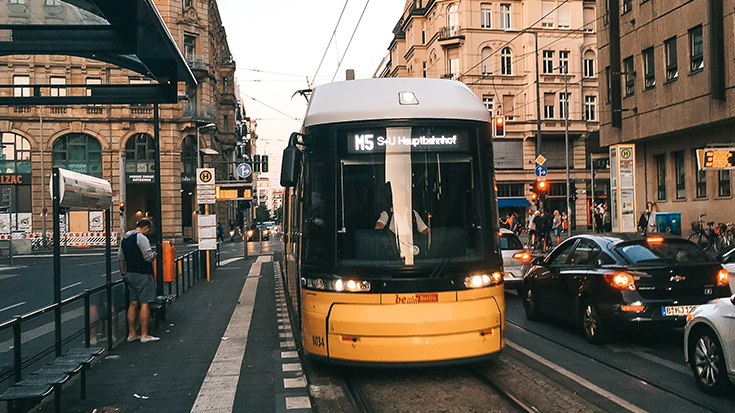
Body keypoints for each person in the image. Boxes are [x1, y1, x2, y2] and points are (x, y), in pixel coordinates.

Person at [118, 218, 159, 343]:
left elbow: (120, 257)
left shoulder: (125, 239)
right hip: (143, 274)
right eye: (149, 229)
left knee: (133, 304)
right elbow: (147, 257)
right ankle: (144, 335)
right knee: (145, 303)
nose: (149, 232)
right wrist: (154, 255)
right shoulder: (141, 238)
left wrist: (123, 273)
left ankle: (132, 333)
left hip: (130, 274)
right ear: (145, 227)